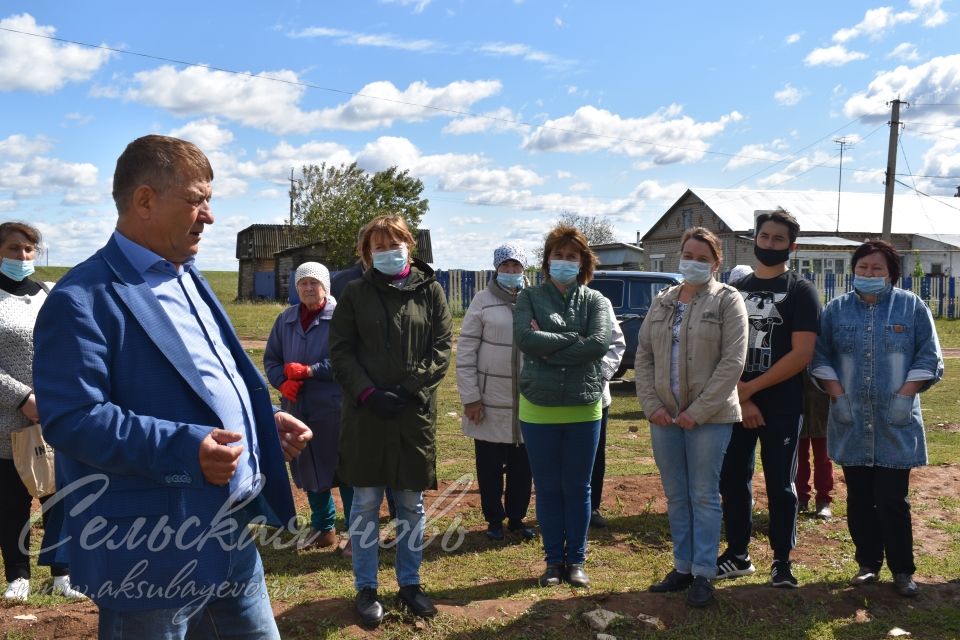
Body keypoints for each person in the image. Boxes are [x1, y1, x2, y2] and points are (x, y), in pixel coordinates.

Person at [32, 135, 312, 639]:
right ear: (144, 201)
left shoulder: (187, 276)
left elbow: (205, 380)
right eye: (197, 199)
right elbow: (71, 418)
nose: (208, 216)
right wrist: (186, 448)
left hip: (229, 529)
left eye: (210, 201)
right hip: (150, 550)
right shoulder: (81, 298)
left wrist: (259, 423)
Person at [329, 214, 452, 628]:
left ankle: (410, 584)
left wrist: (409, 389)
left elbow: (441, 348)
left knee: (410, 505)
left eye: (394, 242)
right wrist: (368, 393)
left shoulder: (431, 290)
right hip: (367, 416)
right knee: (364, 505)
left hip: (412, 415)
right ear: (367, 253)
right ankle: (366, 588)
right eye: (378, 245)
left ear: (409, 245)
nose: (387, 250)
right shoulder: (354, 294)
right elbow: (341, 351)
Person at [812, 240, 943, 597]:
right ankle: (868, 564)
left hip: (895, 421)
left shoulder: (911, 307)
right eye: (863, 268)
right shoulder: (836, 311)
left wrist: (905, 395)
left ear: (891, 275)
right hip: (851, 418)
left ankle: (902, 569)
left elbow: (928, 357)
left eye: (877, 269)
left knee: (892, 499)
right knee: (858, 497)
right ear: (854, 271)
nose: (869, 274)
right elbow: (820, 357)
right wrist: (837, 395)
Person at [636, 227, 748, 607]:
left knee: (703, 494)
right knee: (676, 494)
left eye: (703, 258)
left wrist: (697, 412)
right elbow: (645, 355)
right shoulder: (663, 300)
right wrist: (652, 404)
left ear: (717, 263)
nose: (694, 263)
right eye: (689, 255)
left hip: (710, 418)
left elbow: (732, 363)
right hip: (664, 417)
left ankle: (704, 572)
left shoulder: (728, 301)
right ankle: (682, 567)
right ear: (678, 257)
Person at [717, 208, 820, 588]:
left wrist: (751, 390)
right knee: (732, 480)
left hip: (781, 406)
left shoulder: (800, 291)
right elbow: (722, 350)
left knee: (780, 483)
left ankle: (782, 560)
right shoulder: (734, 293)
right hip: (736, 404)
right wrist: (741, 399)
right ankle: (737, 555)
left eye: (779, 239)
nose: (770, 244)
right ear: (754, 239)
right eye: (765, 237)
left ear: (791, 246)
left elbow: (801, 354)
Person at [514, 225, 611, 589]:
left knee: (579, 487)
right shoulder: (528, 298)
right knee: (549, 487)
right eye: (559, 255)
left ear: (583, 263)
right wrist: (574, 338)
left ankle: (578, 561)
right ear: (547, 260)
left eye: (572, 257)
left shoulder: (597, 301)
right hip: (538, 406)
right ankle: (554, 561)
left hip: (583, 406)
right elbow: (525, 338)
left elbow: (598, 345)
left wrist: (548, 344)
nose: (564, 262)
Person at [0, 222, 85, 602]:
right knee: (11, 500)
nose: (22, 256)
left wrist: (57, 398)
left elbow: (70, 348)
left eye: (28, 250)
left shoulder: (51, 294)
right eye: (14, 249)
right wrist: (23, 399)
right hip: (7, 419)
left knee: (60, 496)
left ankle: (62, 573)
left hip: (55, 416)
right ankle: (18, 575)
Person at [265, 262, 348, 550]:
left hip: (334, 407)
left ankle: (356, 533)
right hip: (297, 407)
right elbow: (272, 360)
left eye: (314, 283)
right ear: (296, 288)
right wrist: (281, 382)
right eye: (303, 283)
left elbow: (348, 360)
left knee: (344, 468)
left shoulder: (340, 317)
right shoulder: (285, 320)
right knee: (309, 467)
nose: (309, 288)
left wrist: (311, 371)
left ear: (325, 286)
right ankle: (324, 529)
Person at [456, 243, 535, 541]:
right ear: (497, 269)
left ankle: (516, 518)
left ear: (523, 269)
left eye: (516, 267)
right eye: (506, 267)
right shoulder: (482, 301)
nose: (511, 272)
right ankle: (493, 520)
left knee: (522, 466)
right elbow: (465, 352)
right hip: (489, 399)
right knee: (489, 466)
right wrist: (471, 397)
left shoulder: (534, 299)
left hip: (527, 399)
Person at [589, 296, 626, 528]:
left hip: (595, 396)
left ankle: (591, 507)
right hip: (556, 396)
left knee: (594, 455)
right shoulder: (542, 301)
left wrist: (597, 375)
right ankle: (559, 509)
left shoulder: (601, 303)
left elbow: (616, 343)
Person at [798, 372, 833, 519]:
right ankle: (800, 498)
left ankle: (823, 500)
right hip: (796, 403)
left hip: (822, 404)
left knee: (823, 458)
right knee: (798, 457)